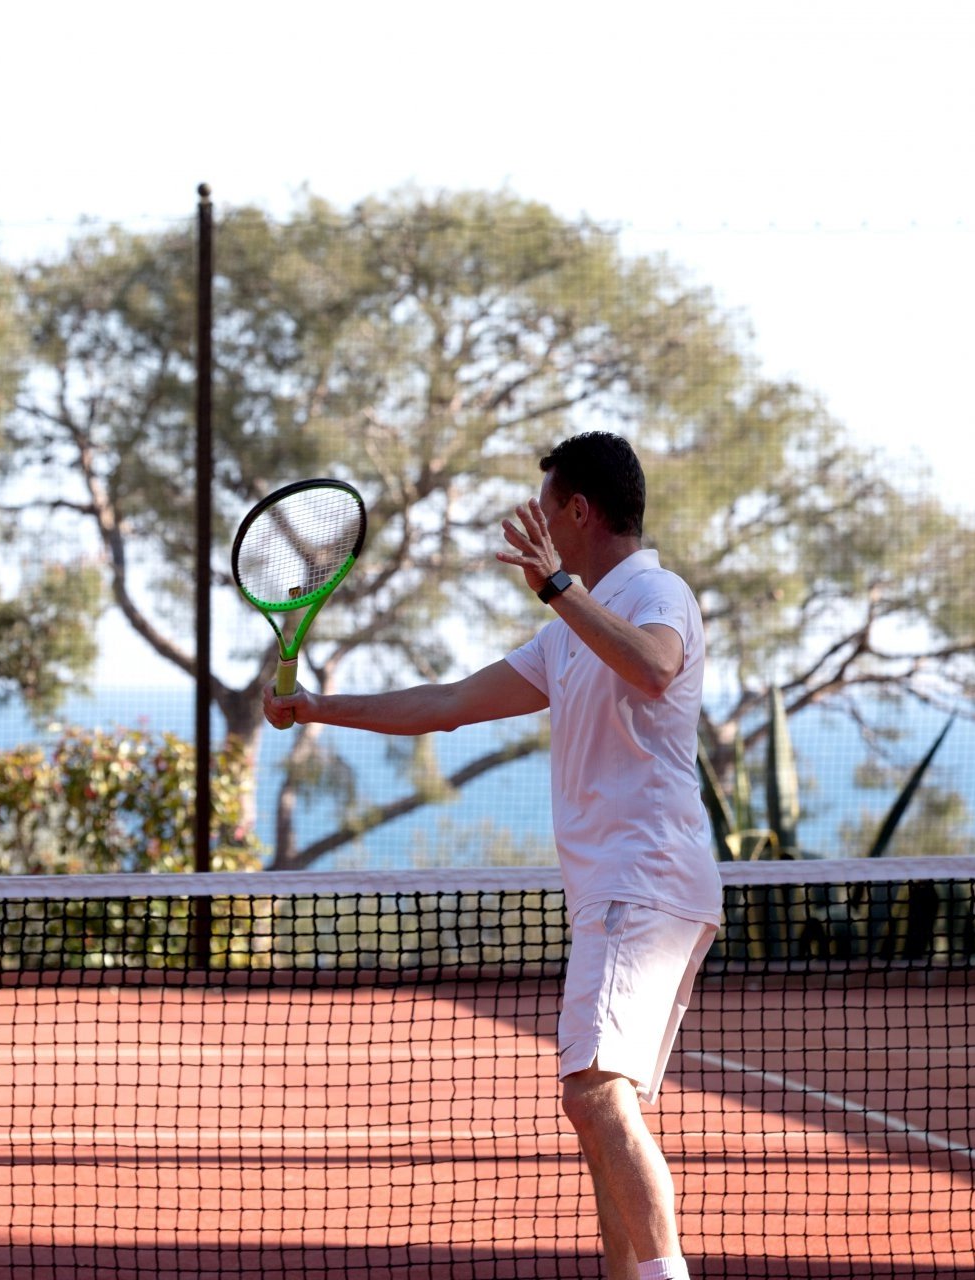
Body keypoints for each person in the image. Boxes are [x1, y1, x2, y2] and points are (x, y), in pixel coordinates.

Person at [264, 432, 721, 1280]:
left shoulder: (656, 592)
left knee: (593, 1093)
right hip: (624, 891)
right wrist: (316, 707)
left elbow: (656, 668)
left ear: (576, 514)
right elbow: (445, 704)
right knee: (600, 1111)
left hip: (644, 881)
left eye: (544, 510)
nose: (532, 526)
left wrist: (556, 586)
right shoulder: (567, 637)